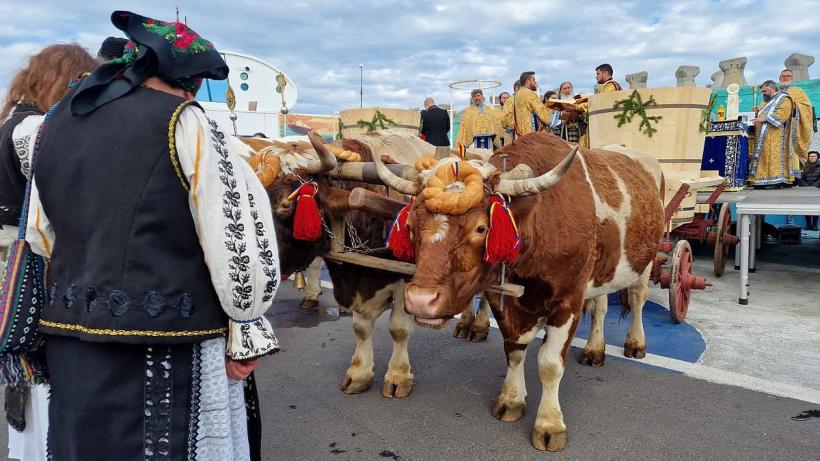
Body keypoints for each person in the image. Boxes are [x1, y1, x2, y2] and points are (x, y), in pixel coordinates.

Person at [25, 10, 281, 460]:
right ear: (183, 77)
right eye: (196, 80)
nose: (193, 91)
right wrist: (248, 322)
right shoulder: (185, 121)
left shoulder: (55, 124)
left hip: (71, 336)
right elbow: (236, 235)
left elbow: (40, 236)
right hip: (170, 337)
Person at [0, 43, 98, 461]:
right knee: (37, 362)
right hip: (26, 255)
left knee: (25, 365)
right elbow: (48, 201)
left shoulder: (10, 121)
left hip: (11, 248)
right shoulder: (35, 129)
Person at [749, 80, 802, 187]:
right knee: (763, 158)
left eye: (764, 91)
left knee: (773, 158)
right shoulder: (765, 102)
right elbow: (759, 115)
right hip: (762, 137)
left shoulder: (784, 98)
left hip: (776, 137)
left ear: (772, 89)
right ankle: (761, 181)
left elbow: (783, 114)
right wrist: (754, 114)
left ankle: (776, 181)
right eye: (762, 92)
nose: (763, 94)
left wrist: (765, 117)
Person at [779, 68, 814, 163]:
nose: (785, 78)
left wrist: (795, 107)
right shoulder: (775, 92)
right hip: (776, 127)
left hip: (792, 127)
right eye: (783, 76)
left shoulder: (798, 91)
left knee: (791, 155)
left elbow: (807, 107)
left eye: (788, 76)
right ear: (779, 78)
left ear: (792, 79)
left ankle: (794, 175)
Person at [510, 71, 552, 138]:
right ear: (527, 81)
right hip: (530, 135)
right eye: (533, 80)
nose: (535, 82)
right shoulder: (529, 94)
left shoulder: (518, 94)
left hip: (520, 135)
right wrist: (560, 114)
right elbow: (543, 114)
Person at [799, 151, 820, 230]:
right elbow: (800, 178)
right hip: (805, 190)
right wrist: (805, 186)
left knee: (816, 208)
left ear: (817, 157)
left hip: (817, 190)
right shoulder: (804, 166)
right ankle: (808, 225)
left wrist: (815, 186)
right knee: (806, 208)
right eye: (811, 156)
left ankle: (814, 225)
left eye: (814, 156)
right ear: (808, 157)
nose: (812, 158)